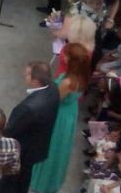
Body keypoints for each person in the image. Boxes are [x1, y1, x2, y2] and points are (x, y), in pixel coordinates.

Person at [29, 43, 91, 193]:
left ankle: (42, 182)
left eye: (66, 55)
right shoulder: (81, 77)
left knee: (50, 146)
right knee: (60, 148)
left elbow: (53, 101)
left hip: (59, 115)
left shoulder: (68, 82)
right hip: (69, 111)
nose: (63, 56)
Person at [0, 61, 60, 193]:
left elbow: (10, 131)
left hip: (22, 152)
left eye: (27, 74)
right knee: (24, 179)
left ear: (36, 81)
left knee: (9, 184)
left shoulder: (28, 108)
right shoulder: (54, 89)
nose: (23, 74)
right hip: (37, 146)